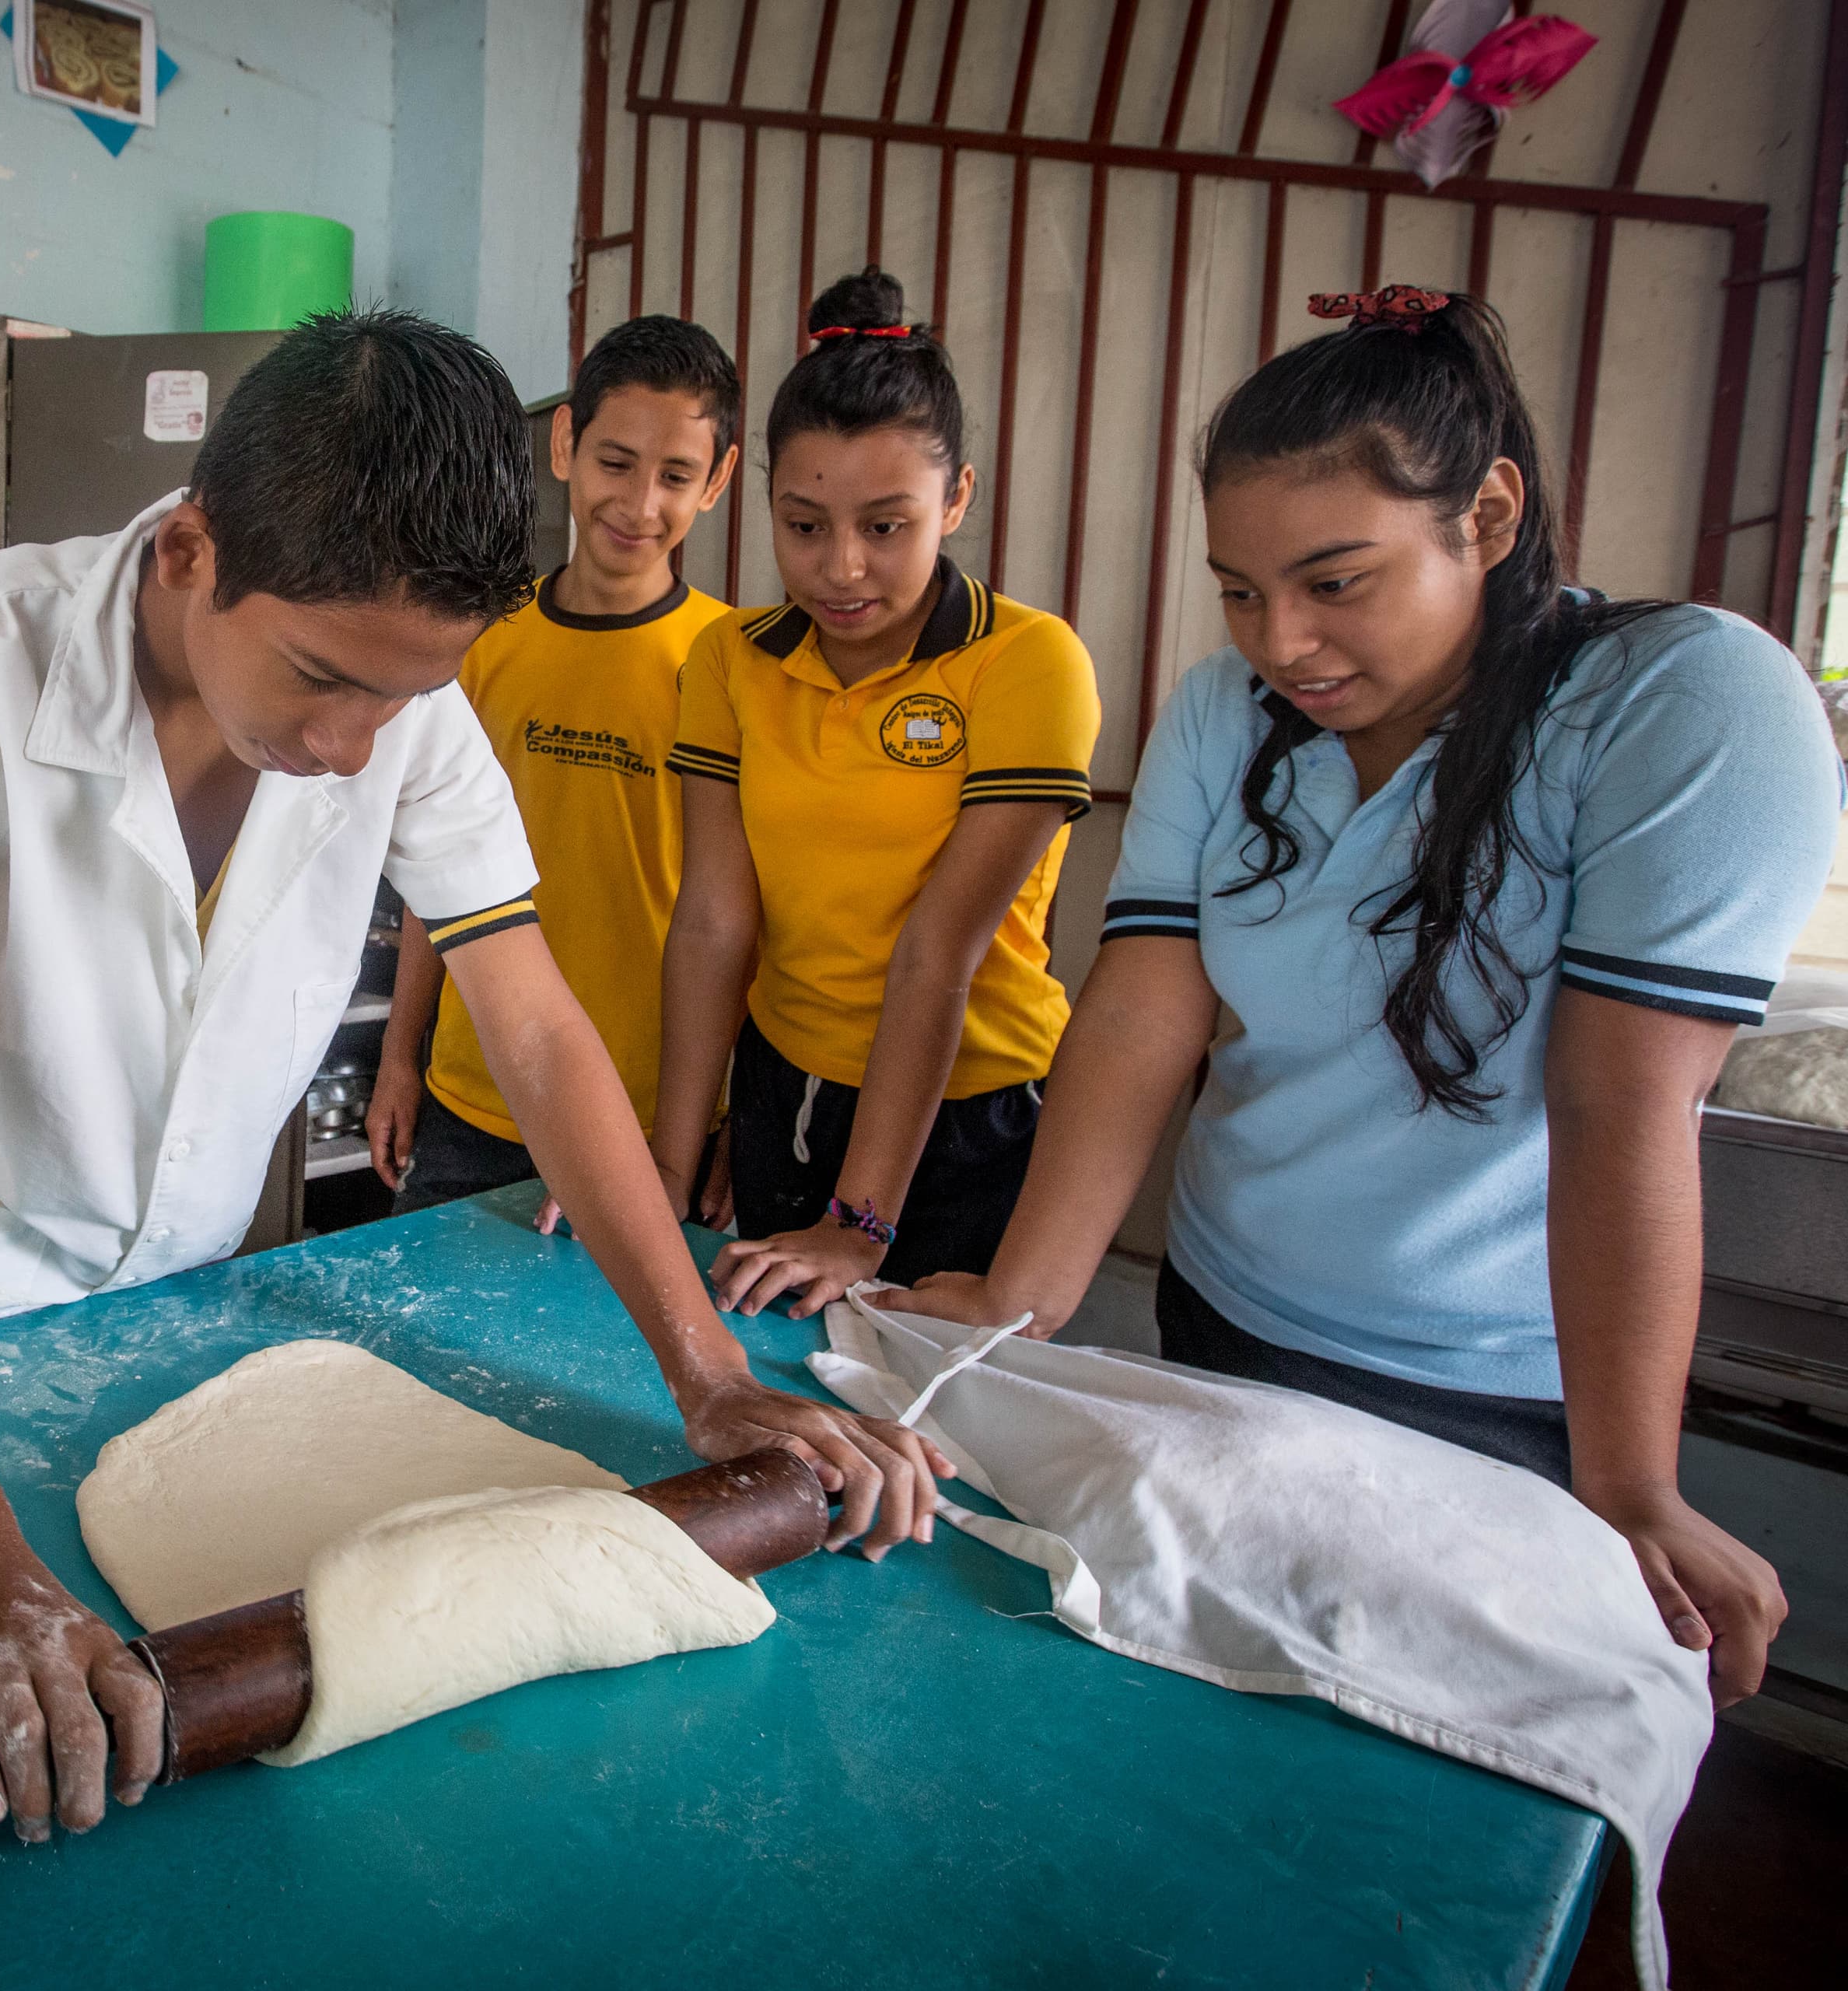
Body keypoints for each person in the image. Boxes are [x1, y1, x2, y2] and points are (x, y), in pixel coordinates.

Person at [0, 311, 957, 1843]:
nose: (351, 740)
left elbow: (537, 1026)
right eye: (320, 677)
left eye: (401, 694)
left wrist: (710, 1377)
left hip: (181, 1306)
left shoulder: (406, 705)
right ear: (193, 550)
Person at [899, 285, 1843, 1706]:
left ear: (1490, 516)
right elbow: (1144, 1015)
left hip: (1496, 1399)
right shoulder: (1230, 716)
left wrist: (1629, 1479)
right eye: (1239, 589)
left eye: (1336, 582)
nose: (1281, 641)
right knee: (1203, 1704)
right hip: (1225, 1334)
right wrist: (1021, 1305)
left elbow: (1619, 1100)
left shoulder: (1679, 703)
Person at [651, 269, 1101, 1320]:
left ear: (957, 500)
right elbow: (716, 921)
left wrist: (861, 1224)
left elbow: (939, 948)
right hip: (785, 1092)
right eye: (803, 526)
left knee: (933, 1433)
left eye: (887, 527)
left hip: (970, 1114)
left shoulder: (1027, 662)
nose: (841, 569)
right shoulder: (732, 659)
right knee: (774, 1400)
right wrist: (665, 1175)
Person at [365, 315, 742, 1219]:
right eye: (616, 462)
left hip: (652, 1125)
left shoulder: (732, 663)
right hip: (472, 1096)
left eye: (677, 475)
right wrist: (399, 1055)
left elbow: (744, 917)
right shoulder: (486, 641)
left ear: (718, 481)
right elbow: (436, 873)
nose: (640, 504)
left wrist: (730, 1117)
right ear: (566, 442)